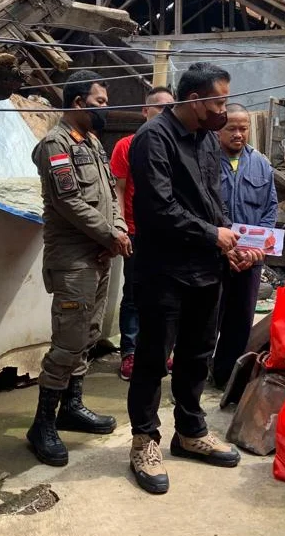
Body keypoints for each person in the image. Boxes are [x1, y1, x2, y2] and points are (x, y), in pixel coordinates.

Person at [126, 62, 254, 495]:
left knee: (198, 353)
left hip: (205, 269)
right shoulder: (153, 139)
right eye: (218, 101)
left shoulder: (205, 140)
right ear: (195, 99)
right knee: (152, 358)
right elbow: (158, 210)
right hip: (164, 270)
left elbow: (211, 200)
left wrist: (230, 243)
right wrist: (212, 234)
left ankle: (190, 432)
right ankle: (144, 440)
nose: (223, 111)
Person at [28, 70, 131, 466]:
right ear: (77, 104)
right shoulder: (55, 145)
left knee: (87, 335)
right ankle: (42, 425)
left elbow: (110, 195)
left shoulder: (92, 142)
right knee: (67, 342)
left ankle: (71, 407)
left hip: (98, 256)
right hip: (72, 261)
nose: (106, 108)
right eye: (100, 102)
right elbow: (70, 203)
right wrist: (110, 236)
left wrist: (116, 230)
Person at [109, 86, 176, 380]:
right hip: (136, 232)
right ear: (145, 111)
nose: (165, 113)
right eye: (159, 108)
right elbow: (118, 191)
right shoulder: (127, 145)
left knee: (167, 294)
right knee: (135, 294)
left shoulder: (177, 146)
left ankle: (162, 351)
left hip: (170, 233)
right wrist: (120, 228)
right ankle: (130, 353)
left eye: (170, 108)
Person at [212, 103, 277, 389]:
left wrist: (257, 249)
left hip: (250, 259)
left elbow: (270, 208)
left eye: (243, 128)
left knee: (240, 322)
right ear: (218, 130)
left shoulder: (261, 163)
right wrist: (224, 248)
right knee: (205, 320)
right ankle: (193, 376)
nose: (238, 134)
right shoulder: (206, 162)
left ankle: (225, 376)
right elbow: (205, 208)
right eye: (231, 129)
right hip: (214, 257)